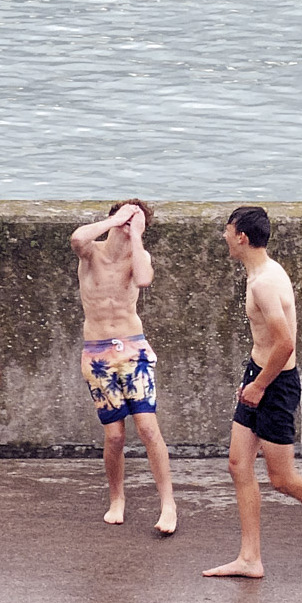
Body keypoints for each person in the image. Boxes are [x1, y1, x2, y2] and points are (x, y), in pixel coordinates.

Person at [204, 206, 302, 580]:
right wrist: (253, 377)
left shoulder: (264, 282)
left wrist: (259, 386)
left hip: (274, 383)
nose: (225, 236)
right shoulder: (260, 272)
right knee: (238, 463)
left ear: (241, 236)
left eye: (228, 230)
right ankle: (249, 558)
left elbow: (286, 343)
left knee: (283, 478)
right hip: (259, 373)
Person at [71, 200, 177, 534]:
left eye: (136, 220)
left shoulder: (139, 256)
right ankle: (117, 498)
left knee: (147, 427)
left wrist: (137, 235)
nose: (127, 225)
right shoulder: (92, 252)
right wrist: (115, 220)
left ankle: (168, 505)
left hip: (132, 349)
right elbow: (76, 239)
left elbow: (144, 279)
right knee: (114, 436)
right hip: (98, 353)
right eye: (124, 219)